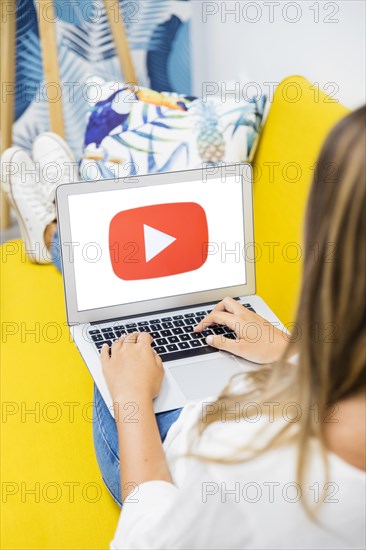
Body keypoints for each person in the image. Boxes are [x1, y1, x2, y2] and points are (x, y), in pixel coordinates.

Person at [1, 106, 365, 549]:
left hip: (164, 447)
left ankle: (56, 228)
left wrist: (132, 396)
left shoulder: (253, 480)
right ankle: (64, 220)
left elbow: (145, 533)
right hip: (265, 385)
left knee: (112, 314)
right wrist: (288, 353)